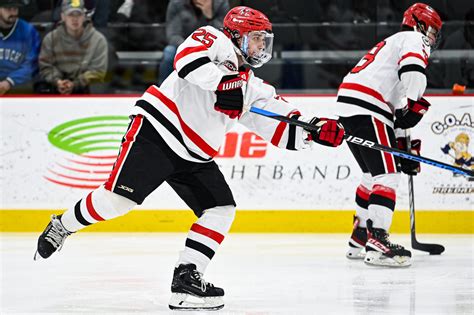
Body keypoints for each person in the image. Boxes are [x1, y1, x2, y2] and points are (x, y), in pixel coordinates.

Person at [34, 6, 345, 311]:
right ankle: (63, 225)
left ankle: (186, 279)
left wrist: (313, 131)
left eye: (265, 40)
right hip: (157, 132)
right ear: (237, 36)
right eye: (258, 38)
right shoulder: (213, 38)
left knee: (220, 209)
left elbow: (277, 121)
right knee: (117, 202)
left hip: (195, 155)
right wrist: (225, 82)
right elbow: (185, 60)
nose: (263, 46)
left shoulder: (252, 86)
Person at [335, 3, 442, 267]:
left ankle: (359, 237)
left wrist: (402, 145)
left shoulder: (392, 43)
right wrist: (416, 103)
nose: (432, 37)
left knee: (372, 174)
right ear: (420, 24)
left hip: (350, 105)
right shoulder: (414, 38)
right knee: (387, 175)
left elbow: (396, 108)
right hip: (369, 107)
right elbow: (414, 74)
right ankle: (378, 241)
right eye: (432, 30)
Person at [35, 0, 108, 94]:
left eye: (78, 14)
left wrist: (75, 84)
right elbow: (45, 67)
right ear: (63, 17)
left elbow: (98, 71)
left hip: (86, 91)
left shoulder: (98, 40)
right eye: (70, 15)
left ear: (84, 16)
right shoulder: (51, 39)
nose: (75, 19)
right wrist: (58, 82)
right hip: (55, 88)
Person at [157, 0, 229, 85]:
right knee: (169, 52)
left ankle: (222, 90)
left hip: (211, 48)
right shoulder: (177, 3)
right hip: (183, 47)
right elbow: (173, 35)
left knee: (227, 55)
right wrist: (191, 49)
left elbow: (223, 34)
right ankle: (163, 91)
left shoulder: (220, 3)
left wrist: (209, 16)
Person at [0, 0, 41, 95]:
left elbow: (32, 63)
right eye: (8, 9)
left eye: (15, 8)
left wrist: (9, 82)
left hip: (18, 83)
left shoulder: (29, 31)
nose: (13, 13)